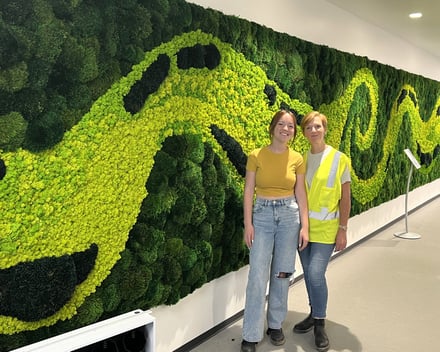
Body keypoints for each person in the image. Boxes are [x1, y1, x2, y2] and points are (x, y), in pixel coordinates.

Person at [241, 109, 309, 352]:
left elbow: (301, 192)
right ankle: (251, 333)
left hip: (290, 217)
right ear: (273, 127)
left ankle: (275, 324)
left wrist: (305, 226)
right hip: (262, 215)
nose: (286, 129)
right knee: (257, 276)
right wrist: (248, 223)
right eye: (282, 124)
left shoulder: (297, 158)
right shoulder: (256, 155)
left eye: (290, 126)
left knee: (282, 272)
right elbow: (249, 190)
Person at [292, 111, 351, 352]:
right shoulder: (300, 160)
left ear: (324, 129)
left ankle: (319, 323)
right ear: (304, 133)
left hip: (327, 230)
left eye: (317, 126)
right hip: (303, 230)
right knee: (308, 275)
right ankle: (313, 312)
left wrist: (343, 229)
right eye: (308, 127)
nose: (313, 131)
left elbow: (345, 197)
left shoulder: (340, 159)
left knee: (316, 274)